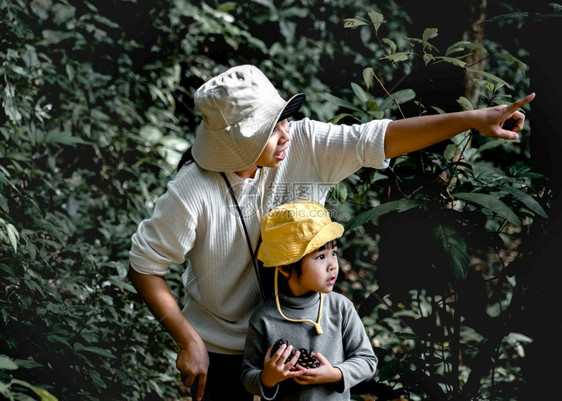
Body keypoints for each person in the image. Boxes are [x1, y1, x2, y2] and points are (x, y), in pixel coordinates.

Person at [127, 64, 534, 401]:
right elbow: (145, 266)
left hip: (306, 340)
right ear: (236, 143)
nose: (285, 133)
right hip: (224, 352)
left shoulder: (303, 143)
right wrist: (188, 340)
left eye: (283, 120)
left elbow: (377, 138)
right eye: (271, 129)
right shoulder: (191, 190)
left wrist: (472, 119)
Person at [241, 199, 378, 400]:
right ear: (286, 267)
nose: (333, 264)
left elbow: (367, 360)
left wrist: (335, 374)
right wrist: (268, 378)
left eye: (334, 252)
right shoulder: (265, 318)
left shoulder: (340, 308)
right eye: (320, 256)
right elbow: (247, 376)